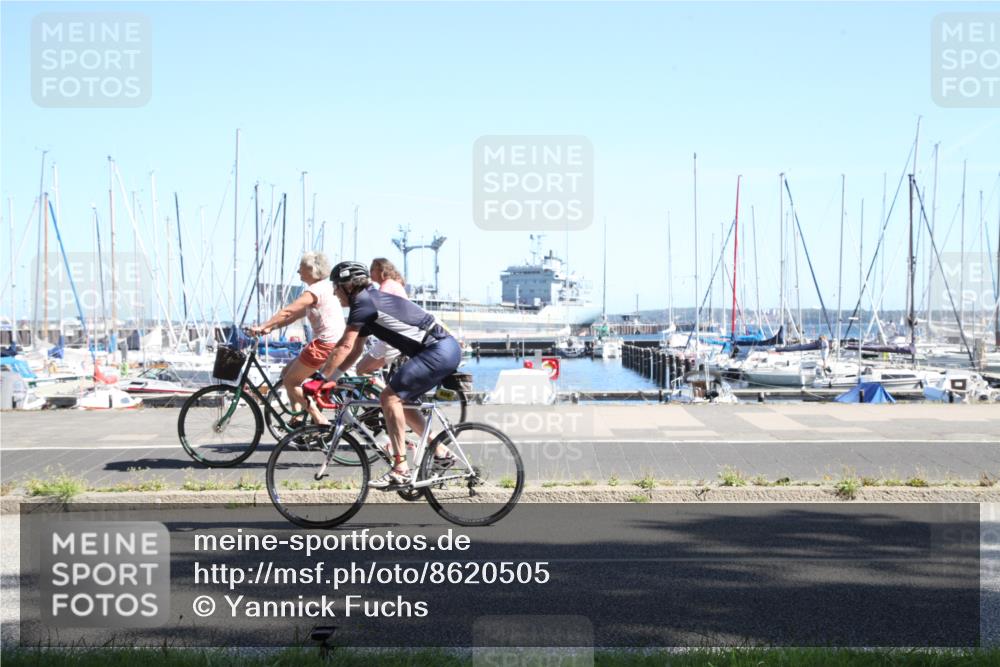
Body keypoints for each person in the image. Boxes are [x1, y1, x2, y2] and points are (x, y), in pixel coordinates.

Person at [320, 261, 460, 489]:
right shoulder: (368, 302)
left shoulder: (363, 303)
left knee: (389, 398)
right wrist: (332, 377)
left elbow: (344, 346)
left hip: (438, 350)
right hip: (441, 349)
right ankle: (442, 452)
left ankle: (400, 468)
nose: (335, 293)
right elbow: (355, 349)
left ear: (348, 286)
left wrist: (320, 380)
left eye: (336, 287)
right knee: (401, 402)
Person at [249, 252, 344, 426]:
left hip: (324, 344)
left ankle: (318, 418)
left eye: (301, 268)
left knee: (291, 381)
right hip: (335, 343)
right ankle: (298, 417)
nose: (298, 272)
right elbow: (292, 317)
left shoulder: (314, 290)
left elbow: (288, 311)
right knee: (287, 372)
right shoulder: (326, 287)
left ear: (311, 270)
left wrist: (262, 326)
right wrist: (270, 327)